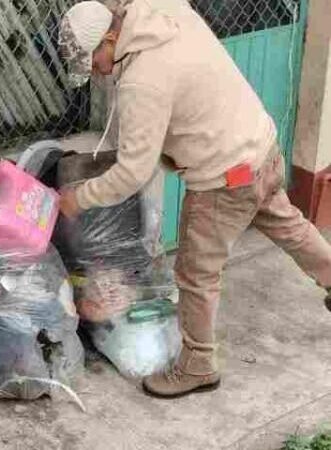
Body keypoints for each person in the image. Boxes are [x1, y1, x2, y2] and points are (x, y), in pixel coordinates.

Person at [58, 0, 331, 398]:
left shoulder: (141, 82)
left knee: (195, 275)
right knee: (289, 225)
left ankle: (198, 364)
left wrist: (79, 198)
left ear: (113, 37)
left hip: (224, 180)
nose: (96, 71)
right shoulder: (160, 10)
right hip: (260, 148)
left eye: (94, 60)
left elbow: (132, 172)